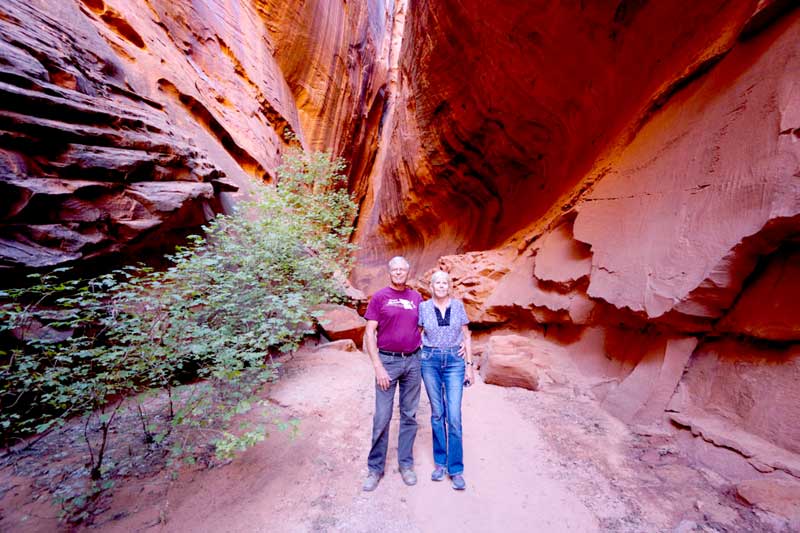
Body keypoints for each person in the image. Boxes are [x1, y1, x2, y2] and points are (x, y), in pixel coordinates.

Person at [362, 256, 423, 492]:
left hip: (413, 362)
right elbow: (369, 334)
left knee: (409, 415)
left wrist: (461, 340)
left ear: (408, 272)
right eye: (395, 269)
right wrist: (378, 366)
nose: (399, 272)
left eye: (402, 269)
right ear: (390, 272)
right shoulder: (380, 297)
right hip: (387, 362)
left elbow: (423, 327)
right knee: (382, 417)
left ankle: (406, 464)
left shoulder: (416, 297)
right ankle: (375, 469)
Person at [418, 270, 474, 490]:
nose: (441, 286)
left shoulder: (458, 306)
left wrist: (469, 366)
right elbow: (417, 331)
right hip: (430, 360)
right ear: (431, 286)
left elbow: (466, 334)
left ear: (449, 286)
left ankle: (456, 469)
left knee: (454, 415)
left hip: (454, 361)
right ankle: (440, 464)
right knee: (437, 414)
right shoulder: (423, 307)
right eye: (437, 283)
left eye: (445, 283)